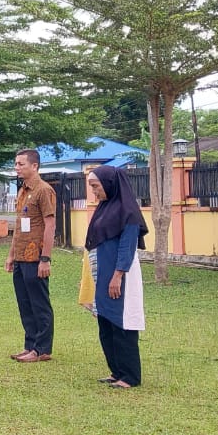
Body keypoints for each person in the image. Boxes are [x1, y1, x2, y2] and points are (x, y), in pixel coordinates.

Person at [80, 165, 148, 388]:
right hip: (103, 274)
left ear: (109, 183)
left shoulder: (127, 212)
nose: (93, 191)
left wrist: (118, 275)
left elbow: (127, 247)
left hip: (120, 276)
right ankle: (116, 371)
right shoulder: (104, 208)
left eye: (95, 186)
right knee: (106, 323)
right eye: (91, 186)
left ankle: (130, 376)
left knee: (122, 324)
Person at [5, 148, 56, 362]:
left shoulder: (44, 190)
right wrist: (11, 255)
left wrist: (45, 258)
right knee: (25, 303)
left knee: (39, 303)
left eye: (21, 164)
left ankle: (42, 349)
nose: (17, 168)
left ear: (34, 166)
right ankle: (30, 345)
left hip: (35, 257)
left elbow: (50, 225)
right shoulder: (23, 191)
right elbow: (19, 226)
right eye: (16, 164)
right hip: (20, 257)